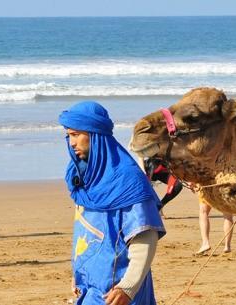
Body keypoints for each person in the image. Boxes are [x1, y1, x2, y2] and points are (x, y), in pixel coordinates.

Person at [59, 101, 166, 305]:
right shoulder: (82, 176)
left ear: (95, 134)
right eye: (68, 135)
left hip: (119, 291)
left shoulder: (127, 179)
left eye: (75, 134)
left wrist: (128, 287)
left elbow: (145, 237)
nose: (71, 142)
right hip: (90, 287)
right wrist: (78, 273)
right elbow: (84, 230)